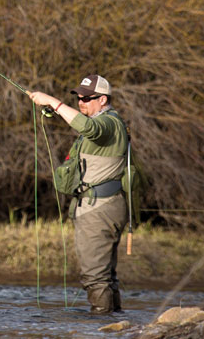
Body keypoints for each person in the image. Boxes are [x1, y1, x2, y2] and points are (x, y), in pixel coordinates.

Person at [29, 74, 129, 314]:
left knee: (95, 276)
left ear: (103, 99)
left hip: (99, 208)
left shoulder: (109, 123)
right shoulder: (103, 123)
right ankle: (115, 326)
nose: (81, 102)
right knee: (106, 275)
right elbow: (86, 127)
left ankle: (100, 325)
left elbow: (90, 129)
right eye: (78, 98)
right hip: (101, 205)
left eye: (87, 98)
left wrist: (52, 102)